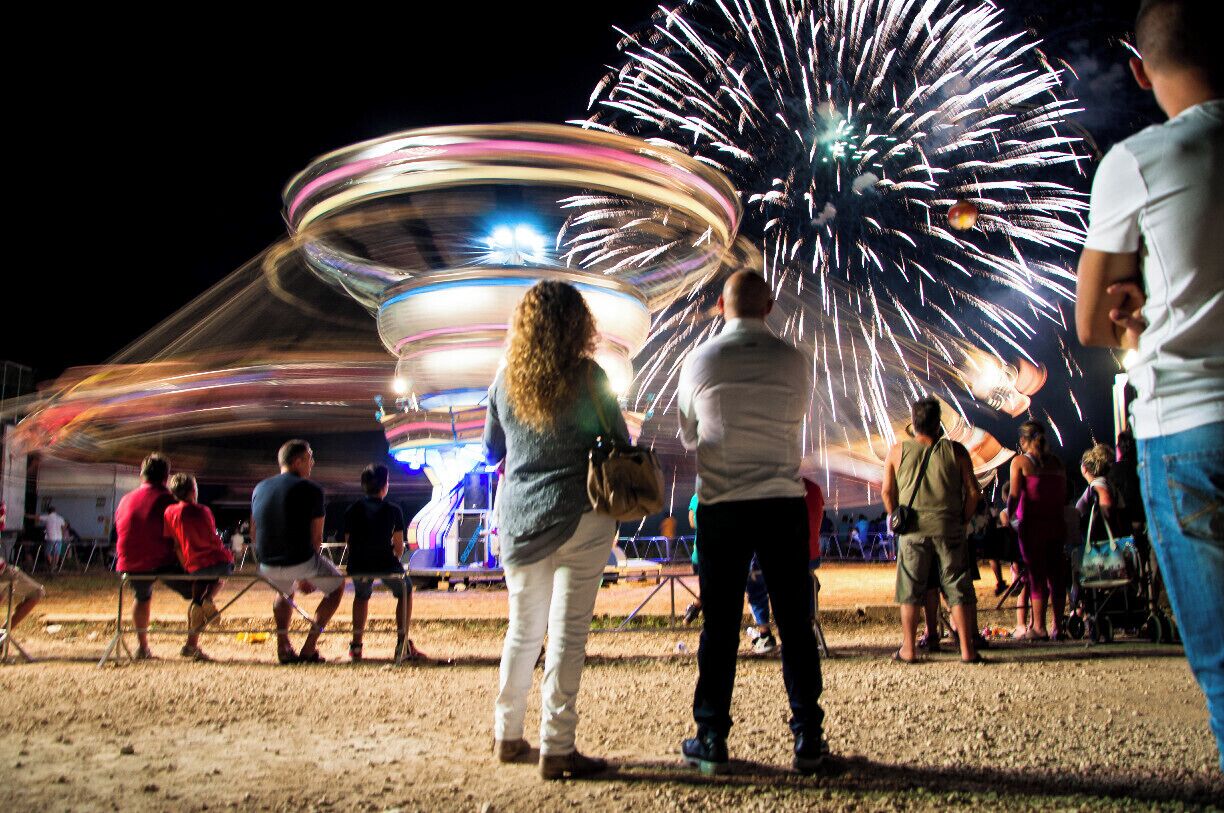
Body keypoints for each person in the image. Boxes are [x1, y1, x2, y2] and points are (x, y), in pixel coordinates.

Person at [1075, 0, 1222, 767]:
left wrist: (1133, 309)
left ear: (1138, 68)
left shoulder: (1138, 162)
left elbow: (1091, 322)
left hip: (1189, 421)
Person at [676, 270, 830, 775]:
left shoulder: (698, 361)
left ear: (720, 306)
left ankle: (712, 735)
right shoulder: (796, 361)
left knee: (719, 627)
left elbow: (689, 435)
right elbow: (797, 419)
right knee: (795, 624)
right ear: (769, 306)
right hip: (781, 502)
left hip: (722, 504)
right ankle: (809, 737)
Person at [483, 280, 626, 780]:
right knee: (568, 633)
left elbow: (492, 451)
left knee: (522, 631)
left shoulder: (503, 383)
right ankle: (558, 748)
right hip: (583, 515)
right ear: (578, 325)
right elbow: (620, 440)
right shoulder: (592, 378)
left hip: (520, 518)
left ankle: (507, 736)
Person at [883, 398, 982, 664]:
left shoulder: (897, 451)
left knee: (910, 589)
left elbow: (886, 492)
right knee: (957, 587)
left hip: (913, 530)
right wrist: (962, 519)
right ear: (939, 423)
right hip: (948, 527)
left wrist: (897, 517)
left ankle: (909, 649)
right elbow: (974, 492)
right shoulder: (957, 451)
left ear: (913, 423)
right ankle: (967, 650)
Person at [251, 439, 344, 665]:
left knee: (283, 591)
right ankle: (309, 647)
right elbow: (316, 538)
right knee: (337, 587)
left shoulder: (260, 488)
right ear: (298, 461)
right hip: (300, 560)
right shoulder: (312, 490)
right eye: (310, 457)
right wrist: (305, 575)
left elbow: (254, 531)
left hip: (266, 563)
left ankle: (282, 645)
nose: (313, 463)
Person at [114, 453, 194, 659]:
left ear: (142, 475)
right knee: (201, 592)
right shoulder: (169, 500)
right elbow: (180, 535)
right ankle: (191, 644)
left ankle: (142, 647)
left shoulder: (125, 500)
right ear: (166, 477)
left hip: (129, 561)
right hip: (161, 560)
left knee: (142, 597)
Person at [344, 463, 425, 663]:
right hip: (384, 562)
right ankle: (402, 643)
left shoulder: (352, 509)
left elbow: (349, 542)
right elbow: (398, 547)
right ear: (385, 485)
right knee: (404, 591)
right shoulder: (393, 510)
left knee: (361, 596)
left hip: (358, 563)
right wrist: (393, 557)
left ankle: (356, 645)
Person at [163, 473, 234, 661]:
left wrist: (186, 563)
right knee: (226, 571)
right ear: (193, 491)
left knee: (197, 596)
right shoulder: (203, 511)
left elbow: (176, 543)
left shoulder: (169, 512)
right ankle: (208, 599)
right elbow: (212, 536)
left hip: (194, 563)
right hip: (216, 559)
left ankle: (197, 611)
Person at [1008, 421, 1068, 641]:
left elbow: (1014, 495)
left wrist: (1008, 517)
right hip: (1056, 524)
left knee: (1036, 576)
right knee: (1057, 576)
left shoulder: (1021, 462)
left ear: (1023, 441)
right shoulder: (1058, 462)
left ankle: (1039, 627)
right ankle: (1058, 627)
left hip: (1032, 526)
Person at [0, 555, 44, 632]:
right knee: (37, 592)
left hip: (4, 572)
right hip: (4, 573)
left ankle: (2, 635)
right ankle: (3, 634)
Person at [37, 506, 67, 572]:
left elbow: (37, 517)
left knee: (48, 552)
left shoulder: (47, 517)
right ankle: (55, 565)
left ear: (48, 512)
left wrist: (26, 515)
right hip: (59, 538)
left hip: (51, 537)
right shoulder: (60, 518)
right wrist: (62, 533)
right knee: (57, 553)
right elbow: (64, 526)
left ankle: (52, 564)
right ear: (55, 511)